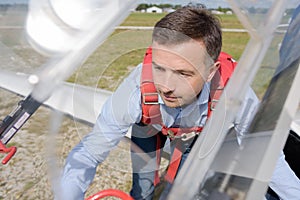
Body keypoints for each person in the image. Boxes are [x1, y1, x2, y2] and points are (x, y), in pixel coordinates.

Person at [59, 5, 300, 200]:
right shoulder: (135, 89)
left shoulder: (234, 91)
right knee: (142, 189)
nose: (165, 86)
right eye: (159, 68)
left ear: (210, 71)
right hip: (149, 126)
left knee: (183, 186)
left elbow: (266, 156)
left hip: (197, 135)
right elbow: (89, 154)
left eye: (184, 73)